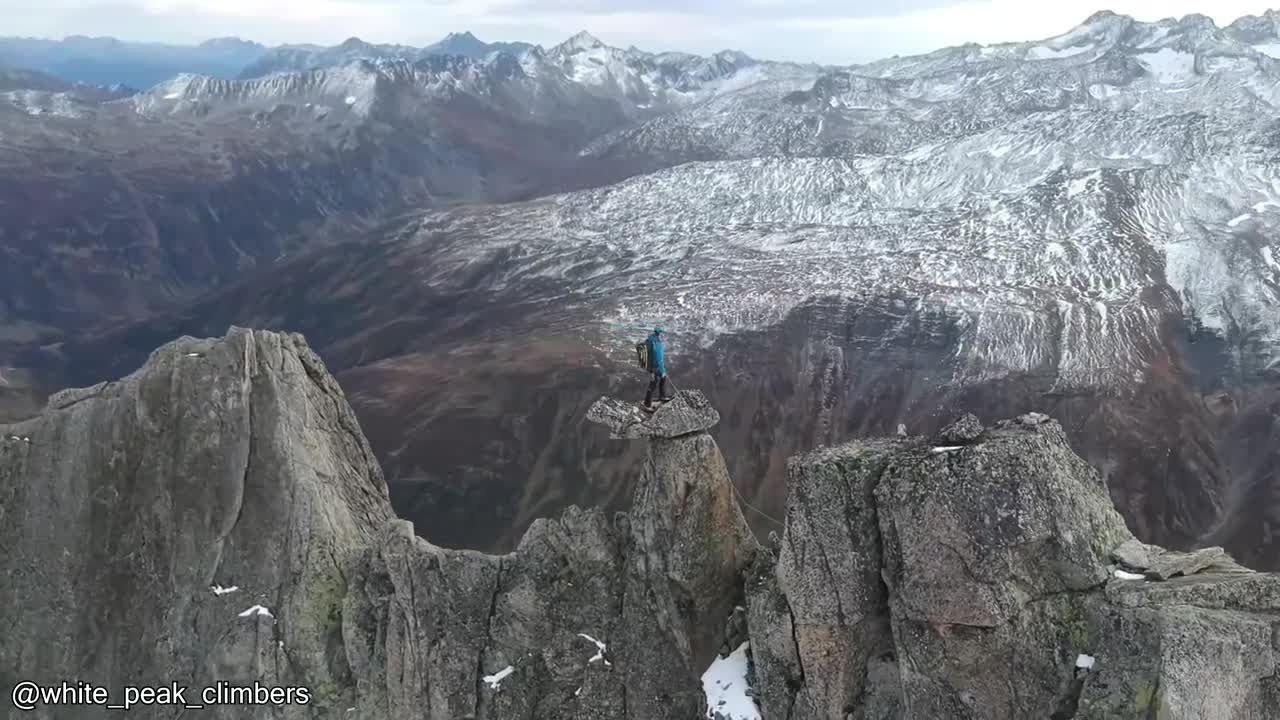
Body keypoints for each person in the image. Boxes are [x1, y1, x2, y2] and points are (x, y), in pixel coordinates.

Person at [643, 325, 673, 410]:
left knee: (662, 379)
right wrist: (661, 370)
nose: (663, 337)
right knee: (653, 384)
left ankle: (662, 396)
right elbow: (659, 360)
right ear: (658, 334)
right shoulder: (657, 345)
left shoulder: (652, 341)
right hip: (655, 368)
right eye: (662, 335)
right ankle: (647, 404)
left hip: (653, 367)